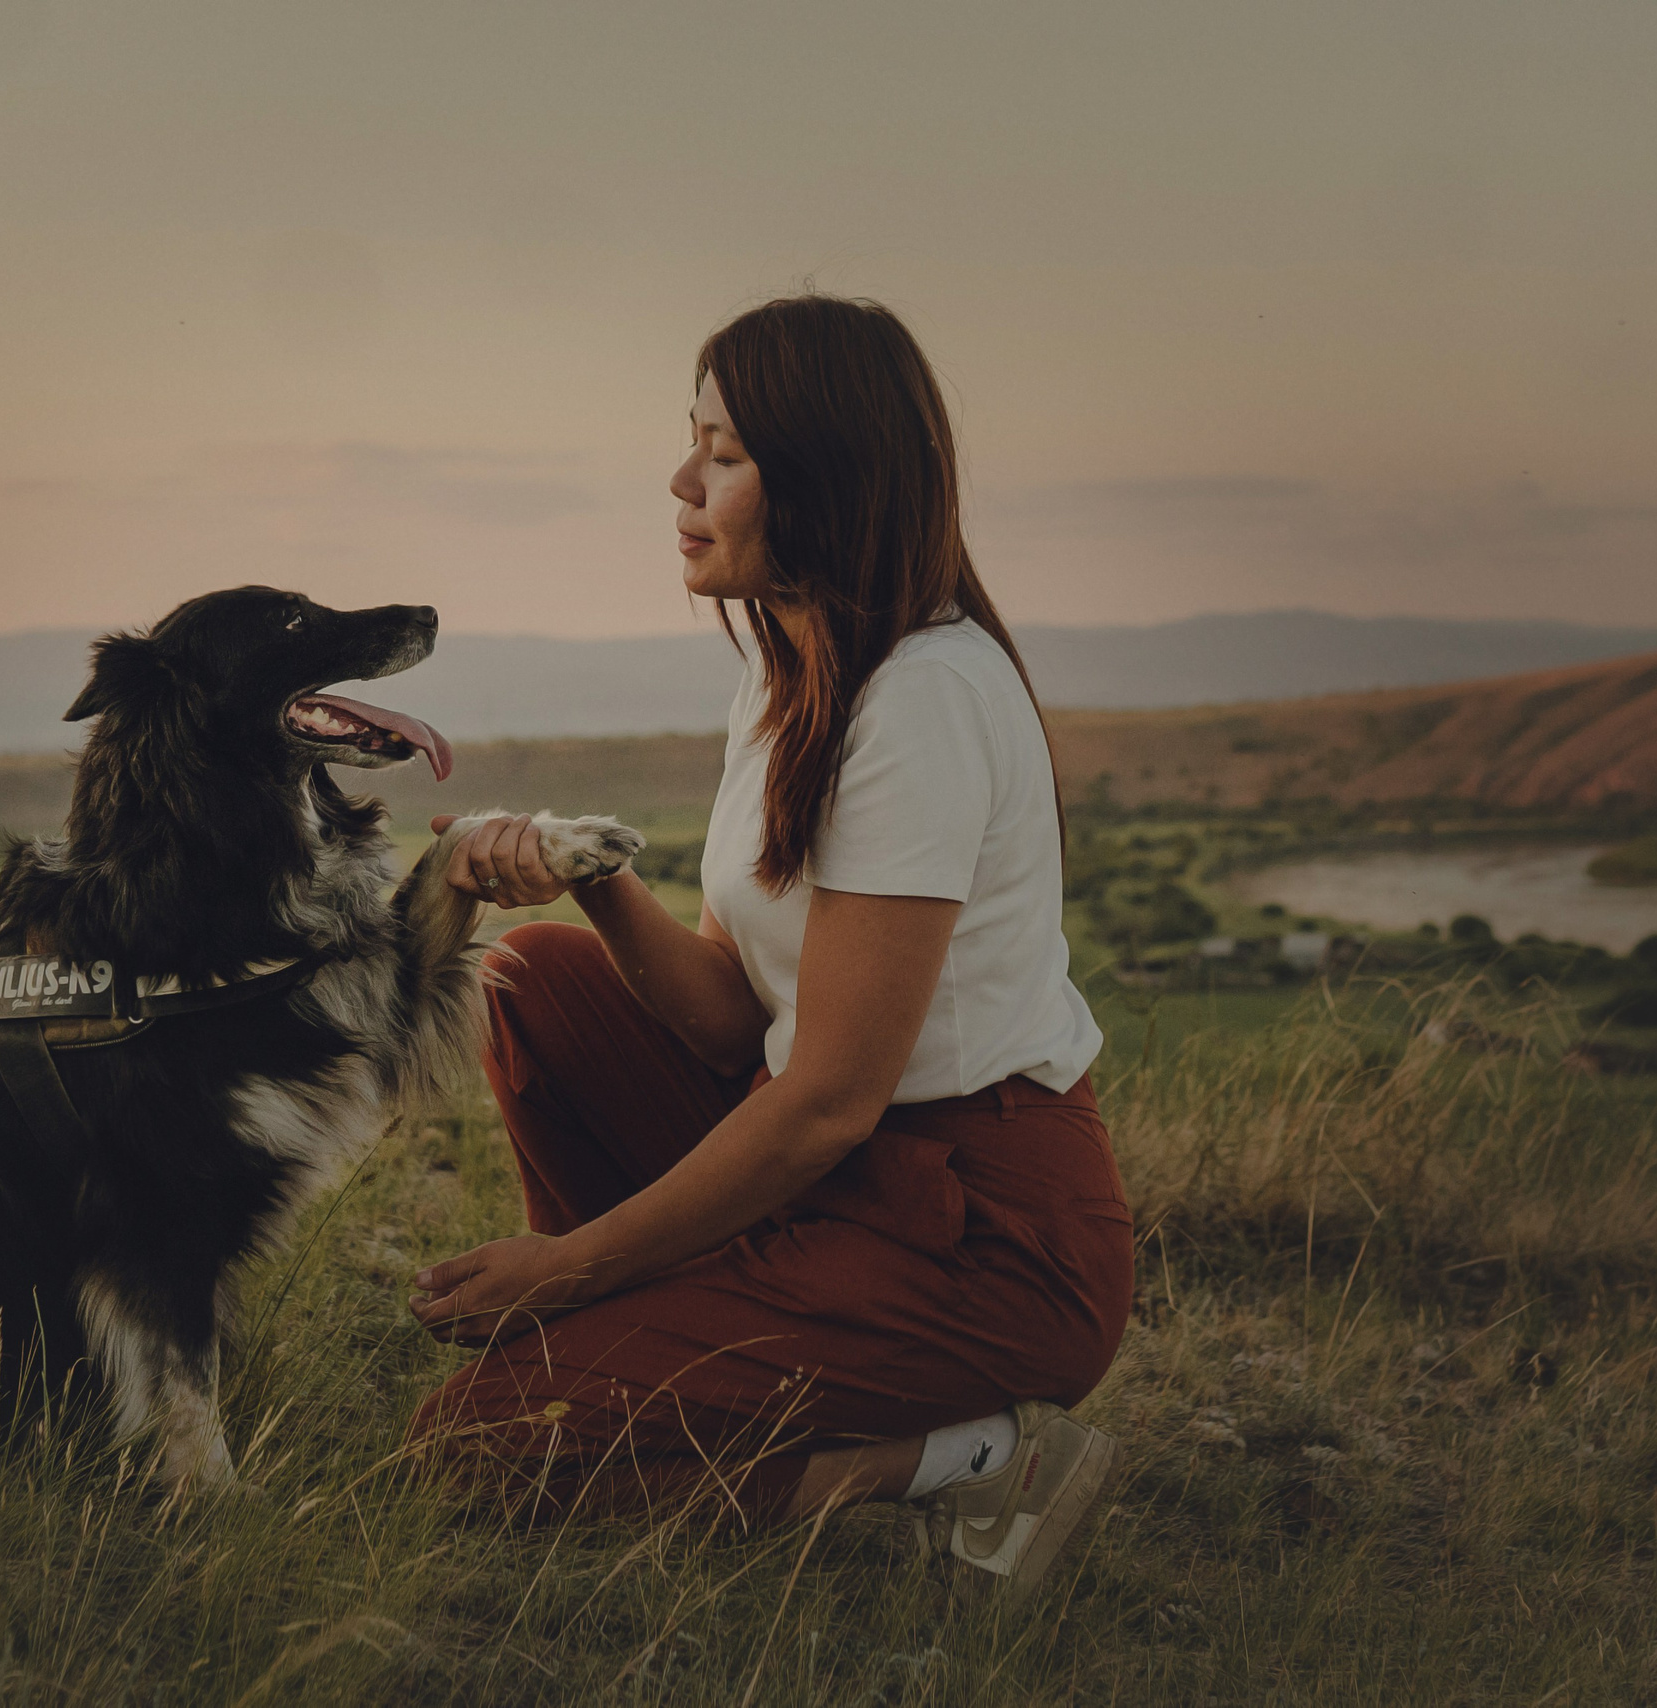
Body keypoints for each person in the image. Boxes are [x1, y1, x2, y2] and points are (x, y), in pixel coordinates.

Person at [403, 295, 1132, 1597]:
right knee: (535, 981)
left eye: (724, 455)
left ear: (825, 480)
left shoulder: (919, 704)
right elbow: (735, 1024)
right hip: (839, 1175)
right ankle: (654, 1347)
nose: (682, 482)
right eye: (693, 443)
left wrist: (569, 1265)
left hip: (983, 1236)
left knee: (480, 1451)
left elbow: (827, 1101)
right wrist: (585, 876)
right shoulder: (790, 671)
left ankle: (960, 1459)